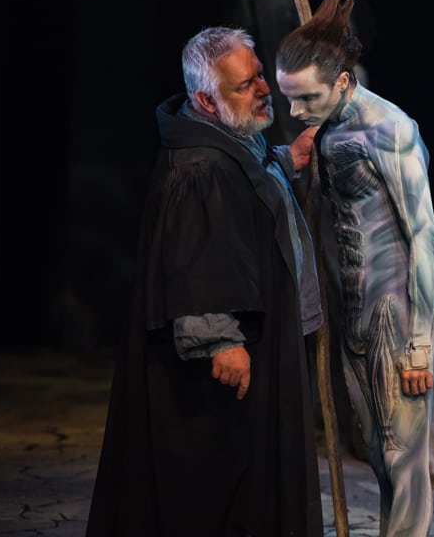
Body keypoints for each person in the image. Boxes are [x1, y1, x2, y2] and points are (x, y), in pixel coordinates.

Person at [85, 26, 325, 537]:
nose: (263, 88)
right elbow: (193, 256)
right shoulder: (197, 166)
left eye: (259, 74)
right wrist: (220, 341)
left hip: (257, 340)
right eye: (245, 85)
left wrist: (287, 159)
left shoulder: (228, 140)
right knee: (220, 487)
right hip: (228, 355)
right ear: (206, 101)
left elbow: (243, 189)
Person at [275, 0, 434, 537]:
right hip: (355, 311)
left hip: (400, 313)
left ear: (344, 81)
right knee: (378, 454)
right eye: (289, 97)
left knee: (402, 459)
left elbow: (424, 235)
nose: (296, 109)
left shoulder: (391, 130)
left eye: (308, 97)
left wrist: (419, 343)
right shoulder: (324, 129)